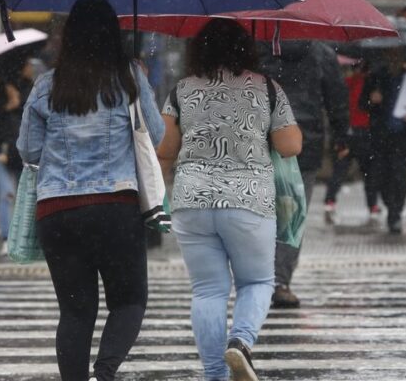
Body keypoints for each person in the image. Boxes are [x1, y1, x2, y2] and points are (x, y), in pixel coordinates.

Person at [17, 0, 164, 381]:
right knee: (129, 300)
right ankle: (106, 370)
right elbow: (157, 135)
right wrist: (140, 82)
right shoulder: (128, 76)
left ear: (69, 36)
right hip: (116, 208)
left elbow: (28, 149)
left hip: (58, 212)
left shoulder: (48, 84)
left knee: (75, 311)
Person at [158, 19, 302, 381]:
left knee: (207, 290)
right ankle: (240, 343)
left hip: (192, 200)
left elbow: (165, 149)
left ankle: (214, 374)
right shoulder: (266, 88)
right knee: (257, 282)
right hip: (248, 199)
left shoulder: (181, 90)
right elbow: (290, 146)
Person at [258, 40, 348, 308]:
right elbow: (336, 96)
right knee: (292, 215)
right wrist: (341, 135)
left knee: (259, 211)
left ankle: (256, 277)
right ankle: (280, 280)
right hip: (304, 141)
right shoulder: (321, 51)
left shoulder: (258, 47)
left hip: (262, 137)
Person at [361, 57, 406, 234]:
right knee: (381, 175)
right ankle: (390, 203)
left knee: (399, 175)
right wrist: (371, 100)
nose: (394, 60)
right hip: (380, 136)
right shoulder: (375, 78)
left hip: (403, 137)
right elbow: (362, 104)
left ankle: (395, 213)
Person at [0, 60, 33, 257]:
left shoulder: (31, 88)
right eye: (27, 63)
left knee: (25, 194)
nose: (30, 67)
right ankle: (6, 238)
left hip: (23, 150)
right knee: (6, 192)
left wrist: (20, 104)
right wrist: (6, 106)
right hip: (1, 149)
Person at [323, 61, 378, 225]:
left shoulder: (346, 84)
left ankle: (330, 201)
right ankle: (372, 205)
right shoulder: (368, 84)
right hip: (363, 132)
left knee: (340, 170)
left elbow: (337, 108)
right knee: (368, 173)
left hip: (348, 132)